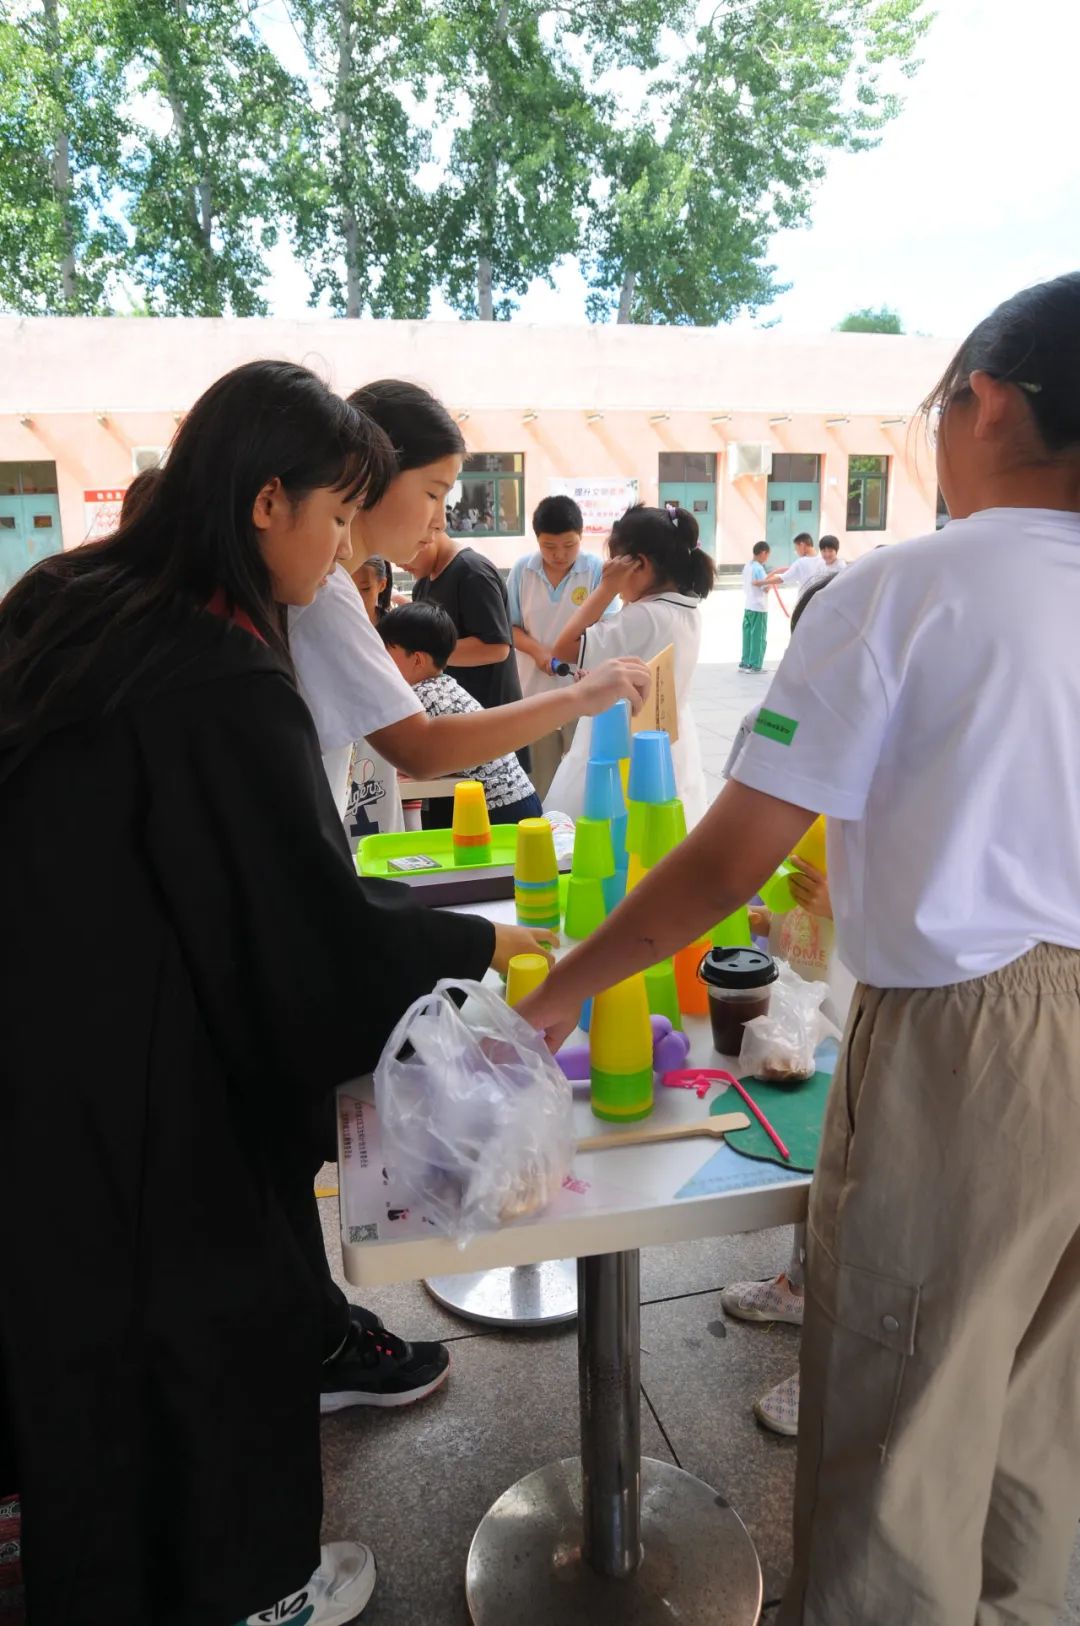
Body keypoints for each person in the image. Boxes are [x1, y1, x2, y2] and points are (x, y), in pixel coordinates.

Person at [520, 272, 1080, 1626]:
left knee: (905, 1409)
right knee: (1043, 1402)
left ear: (985, 402)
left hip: (976, 1036)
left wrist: (568, 985)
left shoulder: (904, 590)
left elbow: (728, 858)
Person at [0, 359, 568, 1626]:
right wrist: (483, 960)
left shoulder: (68, 594)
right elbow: (296, 925)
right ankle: (246, 1590)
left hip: (40, 1036)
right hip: (149, 1071)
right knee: (206, 1335)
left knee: (78, 1353)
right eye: (331, 516)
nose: (338, 555)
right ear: (268, 503)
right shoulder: (222, 670)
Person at [288, 377, 650, 843]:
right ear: (373, 474)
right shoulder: (326, 593)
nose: (439, 520)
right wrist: (579, 698)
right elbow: (420, 748)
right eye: (433, 493)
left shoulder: (334, 587)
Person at [546, 503, 713, 825]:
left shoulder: (645, 615)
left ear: (639, 565)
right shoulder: (686, 610)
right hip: (667, 740)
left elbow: (563, 647)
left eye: (614, 565)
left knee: (607, 831)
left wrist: (606, 588)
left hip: (620, 743)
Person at [378, 602, 543, 827]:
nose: (381, 661)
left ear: (417, 659)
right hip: (517, 797)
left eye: (386, 652)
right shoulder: (445, 685)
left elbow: (414, 754)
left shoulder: (420, 696)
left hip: (494, 808)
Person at [507, 494, 611, 799]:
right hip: (533, 693)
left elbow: (607, 628)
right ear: (537, 540)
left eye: (569, 545)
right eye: (549, 547)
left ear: (581, 537)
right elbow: (508, 628)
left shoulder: (595, 571)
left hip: (583, 692)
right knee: (540, 781)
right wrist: (539, 651)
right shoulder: (523, 570)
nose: (559, 555)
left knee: (584, 775)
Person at [408, 526, 523, 715]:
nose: (401, 562)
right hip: (452, 715)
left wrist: (426, 655)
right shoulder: (422, 584)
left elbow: (496, 647)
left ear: (429, 533)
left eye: (405, 550)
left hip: (492, 717)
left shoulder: (473, 572)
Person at [740, 540, 771, 672]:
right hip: (759, 607)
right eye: (768, 555)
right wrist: (770, 582)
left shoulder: (747, 566)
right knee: (758, 637)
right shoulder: (759, 568)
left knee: (748, 636)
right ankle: (756, 665)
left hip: (748, 606)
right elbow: (766, 588)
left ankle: (745, 662)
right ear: (763, 553)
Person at [766, 531, 820, 596]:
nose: (796, 551)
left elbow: (782, 578)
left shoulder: (801, 562)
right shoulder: (823, 561)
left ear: (802, 545)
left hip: (805, 600)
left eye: (796, 548)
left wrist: (762, 582)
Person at [351, 551, 392, 623]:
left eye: (365, 588)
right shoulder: (333, 625)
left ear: (382, 585)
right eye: (349, 588)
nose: (356, 596)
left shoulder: (394, 627)